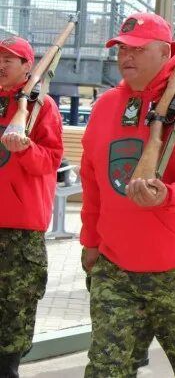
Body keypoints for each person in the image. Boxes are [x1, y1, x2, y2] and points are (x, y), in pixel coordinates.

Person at [80, 12, 175, 377]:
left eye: (137, 49)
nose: (126, 56)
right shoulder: (105, 107)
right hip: (117, 270)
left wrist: (169, 195)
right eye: (121, 49)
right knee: (105, 370)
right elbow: (93, 181)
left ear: (165, 52)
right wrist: (90, 241)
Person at [0, 36, 63, 377]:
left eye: (8, 59)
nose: (1, 65)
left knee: (15, 307)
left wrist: (25, 149)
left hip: (20, 229)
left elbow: (50, 161)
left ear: (27, 66)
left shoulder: (42, 107)